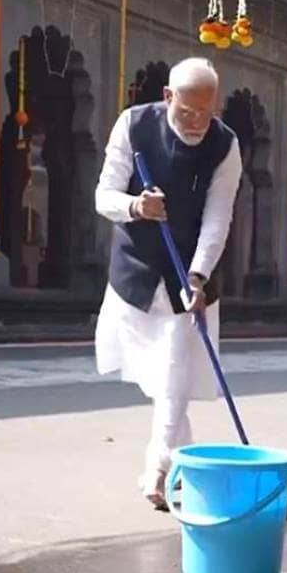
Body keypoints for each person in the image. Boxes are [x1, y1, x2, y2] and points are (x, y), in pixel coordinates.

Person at [93, 57, 243, 510]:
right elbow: (104, 195)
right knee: (159, 382)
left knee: (174, 373)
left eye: (206, 111)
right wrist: (137, 206)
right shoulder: (134, 125)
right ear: (167, 98)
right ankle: (187, 462)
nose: (197, 122)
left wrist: (198, 275)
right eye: (186, 111)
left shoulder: (225, 145)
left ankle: (157, 468)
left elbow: (218, 218)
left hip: (188, 277)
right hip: (135, 272)